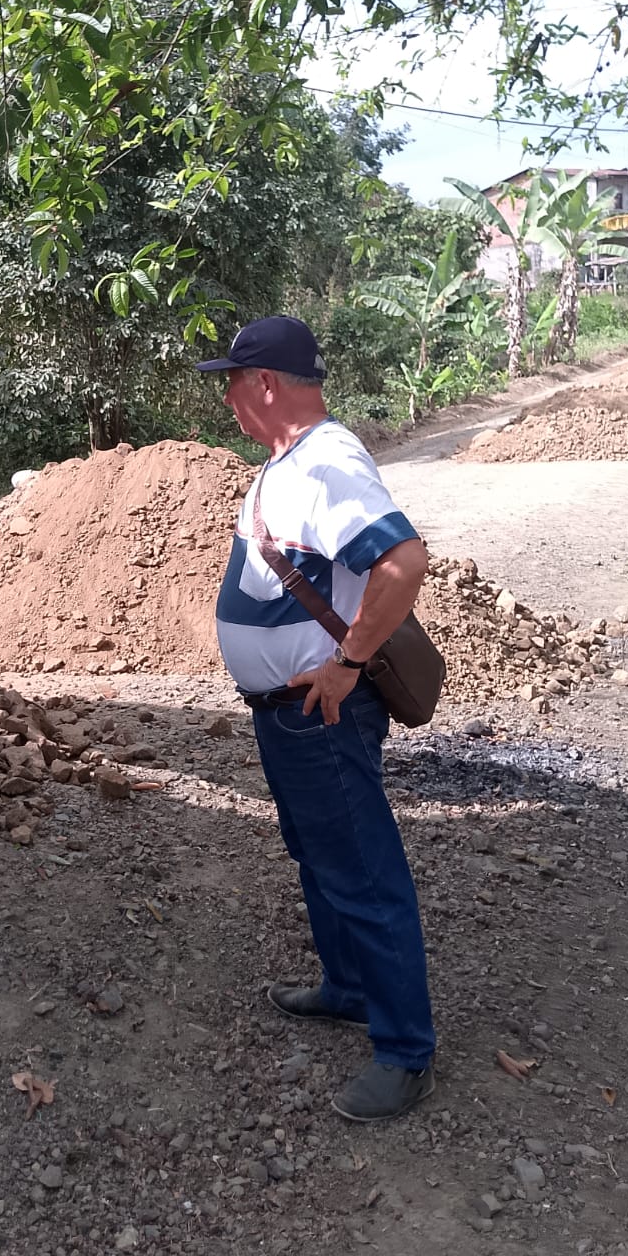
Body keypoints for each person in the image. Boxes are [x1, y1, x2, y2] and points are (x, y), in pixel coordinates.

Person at [198, 315, 436, 1122]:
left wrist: (346, 663)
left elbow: (403, 560)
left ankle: (405, 1051)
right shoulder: (289, 463)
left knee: (363, 872)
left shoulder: (328, 463)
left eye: (233, 382)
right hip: (287, 712)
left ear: (266, 384)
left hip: (320, 708)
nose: (227, 399)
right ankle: (349, 988)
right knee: (320, 857)